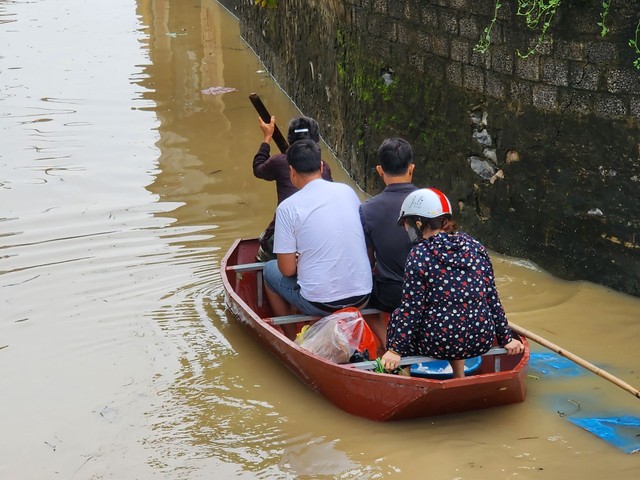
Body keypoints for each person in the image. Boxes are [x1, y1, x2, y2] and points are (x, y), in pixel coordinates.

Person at [380, 188, 525, 377]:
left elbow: (412, 308)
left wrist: (395, 349)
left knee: (399, 316)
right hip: (481, 339)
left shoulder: (419, 254)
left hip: (441, 342)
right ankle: (460, 377)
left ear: (418, 223)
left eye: (408, 224)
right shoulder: (475, 246)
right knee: (457, 313)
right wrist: (506, 338)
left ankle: (406, 378)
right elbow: (492, 297)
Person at [263, 139, 372, 336]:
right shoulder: (347, 192)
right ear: (321, 167)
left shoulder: (287, 208)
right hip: (363, 296)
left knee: (269, 271)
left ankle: (290, 336)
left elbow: (286, 269)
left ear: (292, 172)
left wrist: (300, 259)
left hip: (321, 303)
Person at [359, 138, 417, 346]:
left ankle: (387, 341)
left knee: (358, 294)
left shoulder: (367, 209)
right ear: (411, 169)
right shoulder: (432, 201)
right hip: (433, 289)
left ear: (380, 170)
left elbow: (368, 261)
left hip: (394, 295)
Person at [252, 115, 333, 262]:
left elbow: (258, 169)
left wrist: (267, 138)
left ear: (292, 172)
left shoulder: (279, 162)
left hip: (291, 242)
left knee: (267, 245)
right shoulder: (325, 167)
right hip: (318, 239)